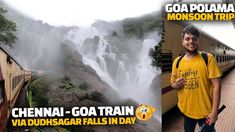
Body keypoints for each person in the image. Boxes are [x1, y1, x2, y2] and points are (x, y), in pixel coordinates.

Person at [171, 26, 222, 132]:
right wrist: (175, 85)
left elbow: (217, 86)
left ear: (198, 42)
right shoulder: (177, 62)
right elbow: (173, 84)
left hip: (206, 112)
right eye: (187, 39)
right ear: (182, 42)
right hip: (186, 111)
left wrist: (214, 112)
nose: (191, 41)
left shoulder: (208, 59)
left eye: (194, 39)